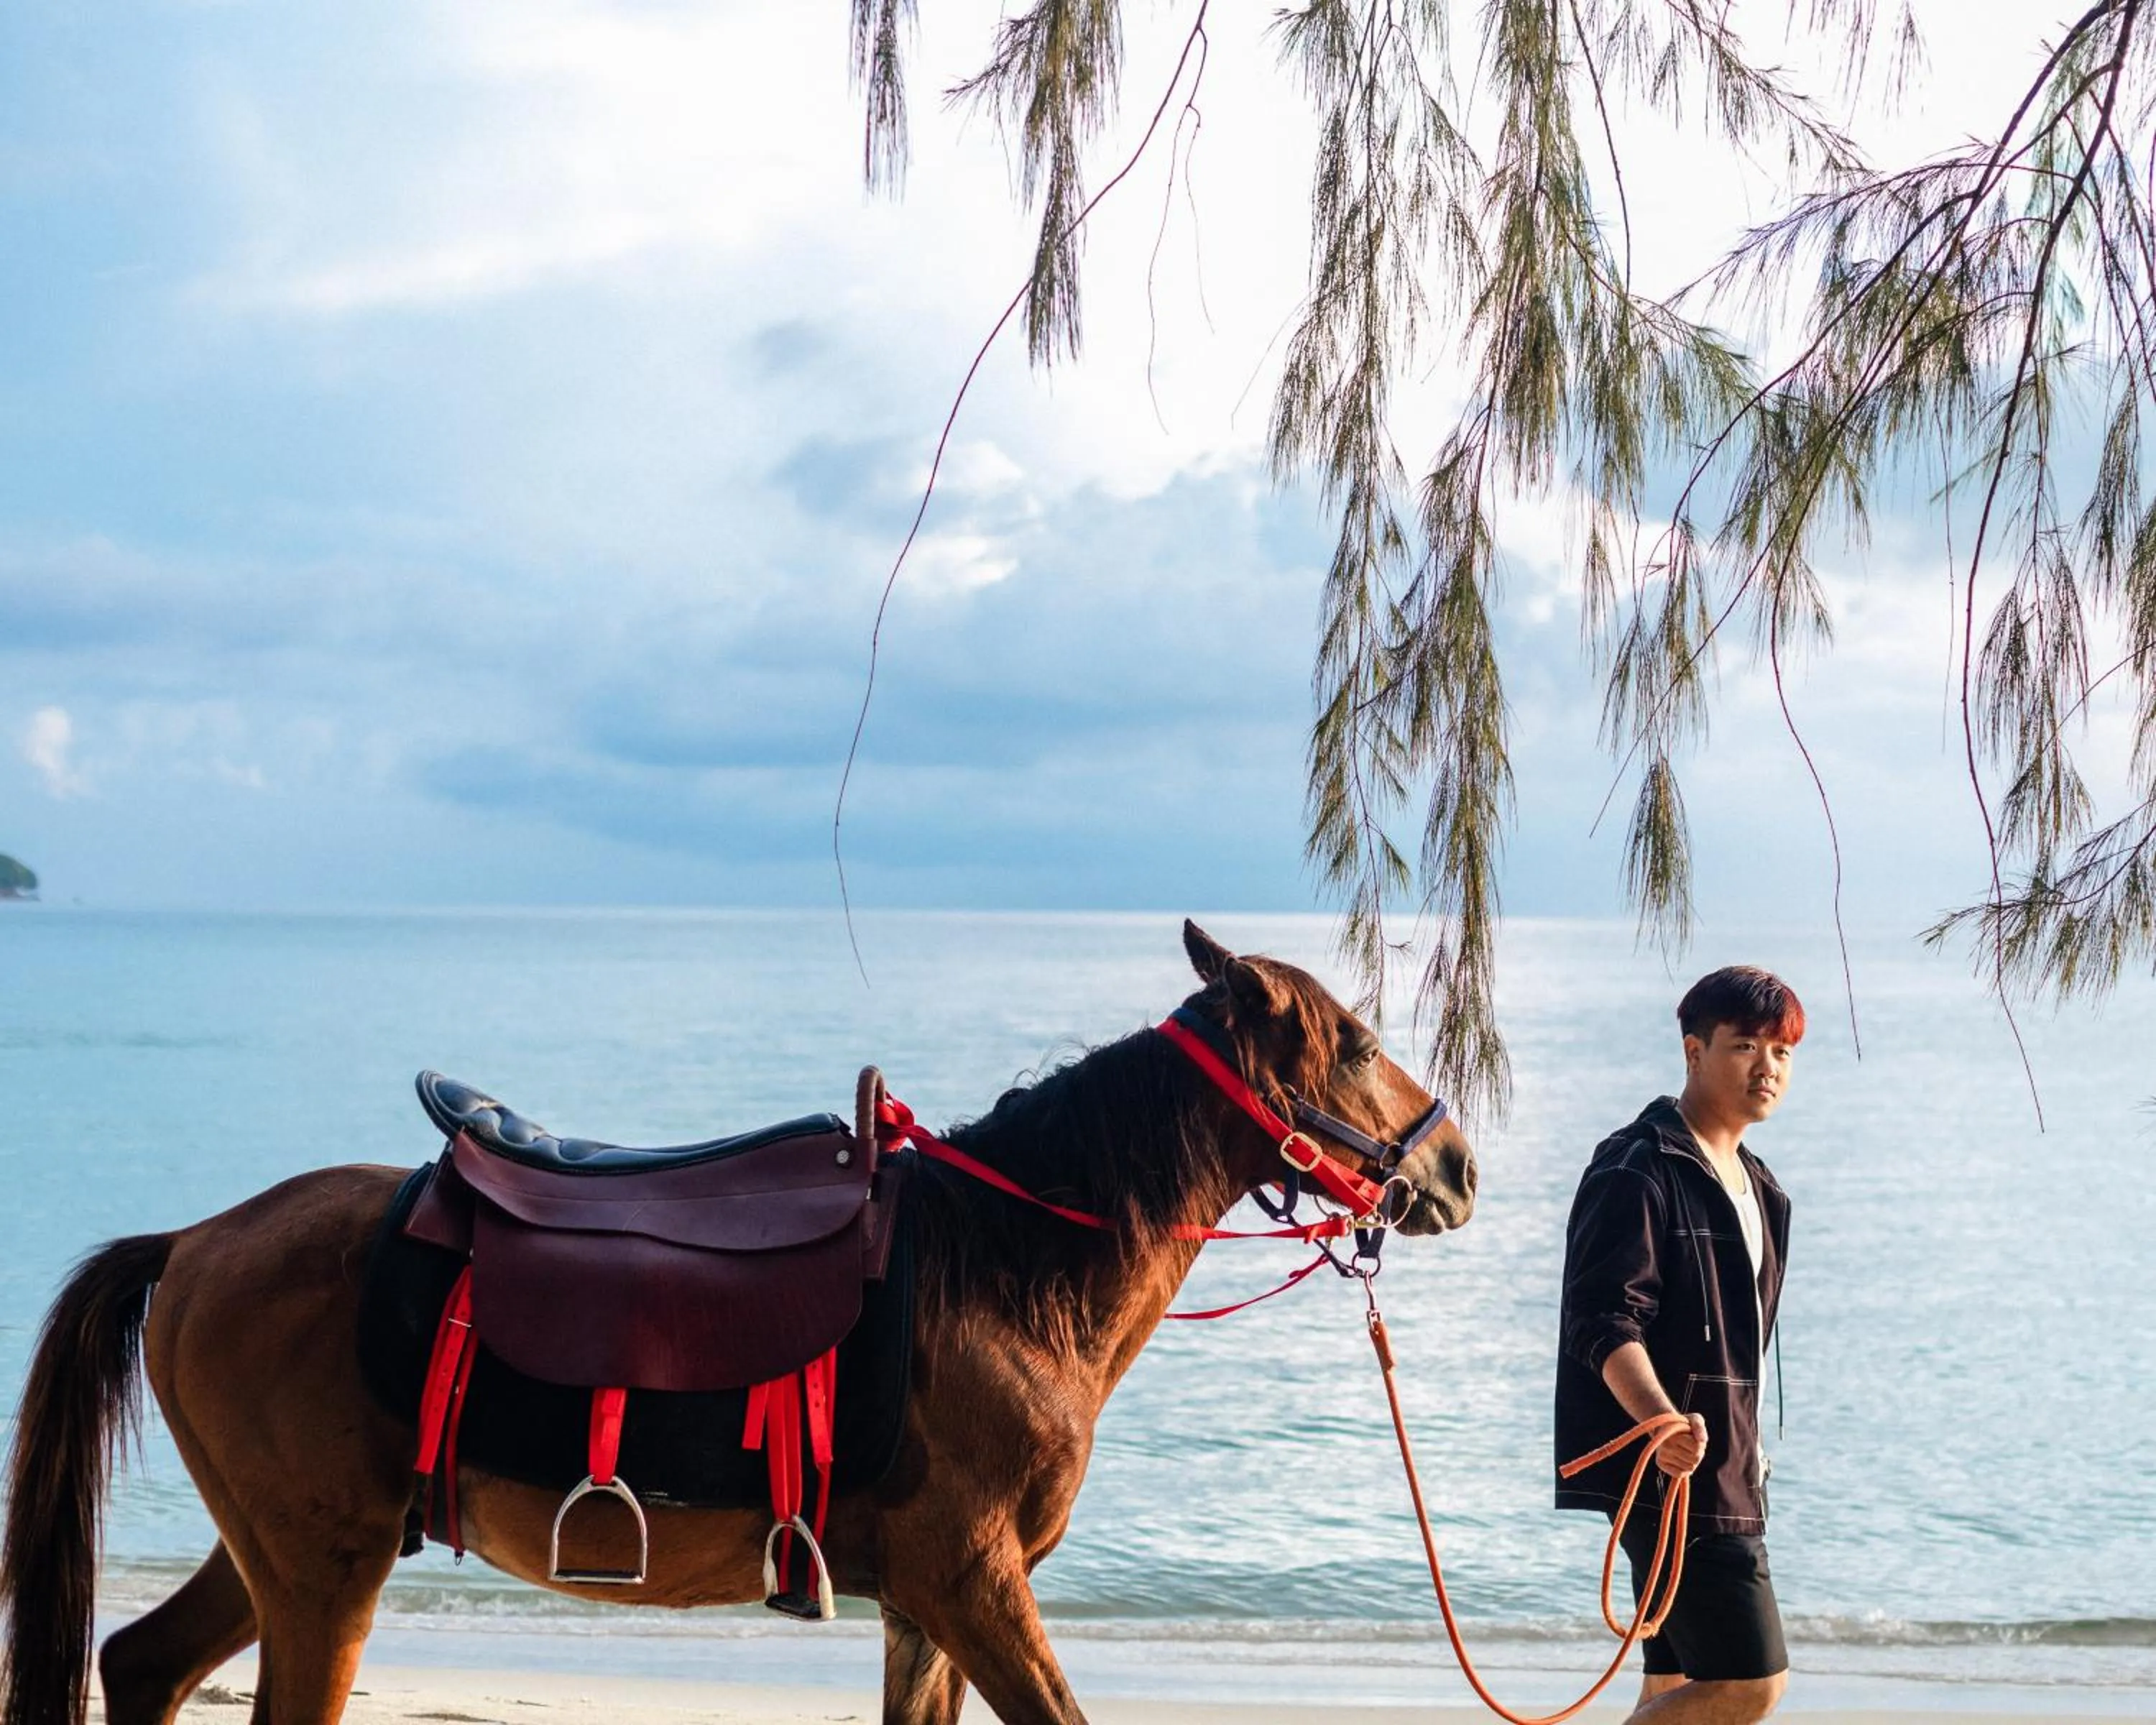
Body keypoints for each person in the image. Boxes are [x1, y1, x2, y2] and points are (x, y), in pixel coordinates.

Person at [1554, 967, 1802, 1724]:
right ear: (1694, 1052)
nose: (1767, 1066)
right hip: (1675, 1476)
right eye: (1745, 1046)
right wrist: (1662, 1421)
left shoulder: (1757, 1184)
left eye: (1782, 1052)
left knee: (1674, 1684)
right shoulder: (1640, 1166)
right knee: (1753, 1682)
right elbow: (1602, 1321)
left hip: (1727, 1465)